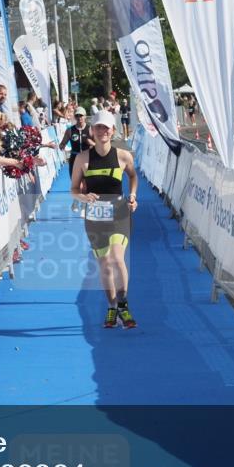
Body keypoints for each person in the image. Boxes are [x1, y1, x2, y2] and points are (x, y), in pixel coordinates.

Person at [70, 111, 139, 329]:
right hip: (95, 217)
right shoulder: (82, 159)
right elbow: (73, 189)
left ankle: (123, 304)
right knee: (105, 264)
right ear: (92, 130)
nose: (102, 131)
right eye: (98, 127)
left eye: (106, 127)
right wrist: (83, 197)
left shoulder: (123, 156)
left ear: (113, 131)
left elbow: (133, 176)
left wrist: (133, 196)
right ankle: (112, 307)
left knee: (117, 259)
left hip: (119, 214)